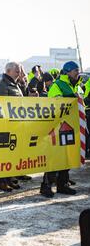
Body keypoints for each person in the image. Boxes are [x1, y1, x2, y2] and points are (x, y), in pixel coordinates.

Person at [40, 61, 83, 198]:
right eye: (75, 70)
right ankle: (46, 186)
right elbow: (54, 103)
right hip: (57, 127)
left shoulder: (74, 85)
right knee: (54, 158)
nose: (77, 73)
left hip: (71, 126)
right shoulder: (57, 85)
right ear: (68, 71)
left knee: (66, 157)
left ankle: (62, 184)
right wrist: (72, 98)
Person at [0, 62, 29, 191]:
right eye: (17, 71)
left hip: (15, 125)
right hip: (4, 126)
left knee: (11, 154)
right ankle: (1, 181)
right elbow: (1, 105)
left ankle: (8, 179)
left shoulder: (15, 84)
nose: (19, 74)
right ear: (8, 71)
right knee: (3, 155)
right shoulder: (1, 85)